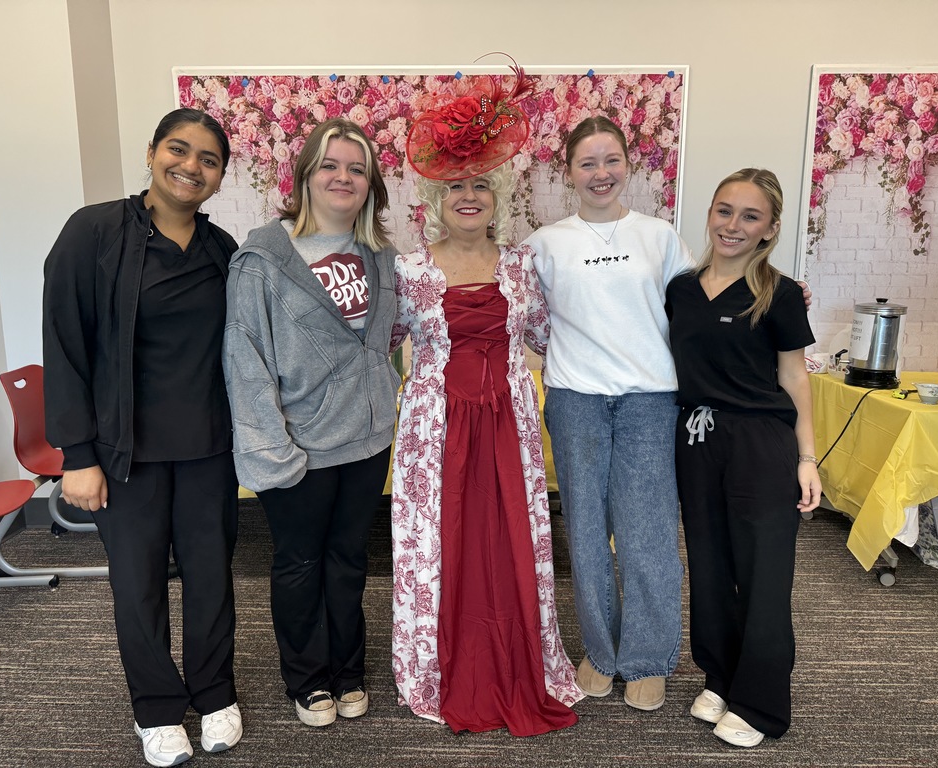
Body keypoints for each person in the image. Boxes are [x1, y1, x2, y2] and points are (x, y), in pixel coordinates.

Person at [43, 108, 242, 767]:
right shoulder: (93, 233)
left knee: (212, 578)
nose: (190, 166)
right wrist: (77, 455)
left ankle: (214, 693)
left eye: (208, 159)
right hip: (125, 453)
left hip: (211, 447)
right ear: (153, 152)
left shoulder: (223, 251)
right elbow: (65, 346)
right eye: (178, 150)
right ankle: (156, 710)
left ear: (220, 176)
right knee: (140, 583)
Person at [390, 65, 583, 736]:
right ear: (434, 198)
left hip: (507, 422)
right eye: (455, 187)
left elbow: (545, 335)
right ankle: (441, 669)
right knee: (444, 546)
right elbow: (380, 342)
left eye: (480, 185)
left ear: (497, 195)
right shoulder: (409, 271)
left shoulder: (523, 266)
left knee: (505, 545)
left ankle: (517, 662)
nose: (468, 197)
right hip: (434, 432)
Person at [222, 118, 399, 729]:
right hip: (299, 446)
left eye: (356, 168)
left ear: (369, 182)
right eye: (330, 165)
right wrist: (273, 452)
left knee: (350, 560)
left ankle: (349, 669)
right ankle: (308, 678)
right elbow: (246, 362)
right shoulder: (262, 259)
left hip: (368, 440)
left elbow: (387, 344)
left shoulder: (380, 255)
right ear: (304, 177)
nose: (343, 177)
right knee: (300, 563)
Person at [523, 116, 691, 712]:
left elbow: (698, 306)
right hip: (575, 400)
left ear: (630, 164)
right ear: (568, 172)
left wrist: (772, 291)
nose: (601, 173)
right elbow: (517, 312)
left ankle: (647, 658)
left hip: (650, 400)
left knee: (647, 534)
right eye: (588, 163)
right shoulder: (544, 244)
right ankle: (600, 651)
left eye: (611, 160)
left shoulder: (660, 237)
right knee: (587, 534)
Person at [666, 168, 820, 747]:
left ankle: (761, 704)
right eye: (724, 210)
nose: (733, 225)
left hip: (761, 442)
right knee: (709, 567)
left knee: (762, 574)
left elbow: (796, 378)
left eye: (749, 216)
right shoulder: (680, 287)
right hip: (696, 441)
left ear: (770, 229)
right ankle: (721, 677)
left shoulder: (778, 294)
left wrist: (808, 458)